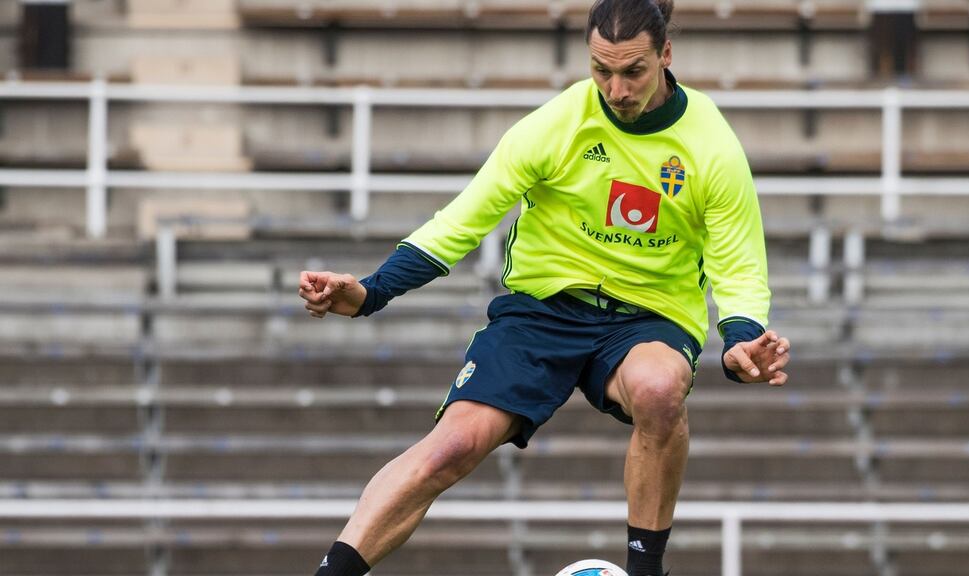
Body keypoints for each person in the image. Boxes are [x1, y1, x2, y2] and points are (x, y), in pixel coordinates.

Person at [299, 1, 790, 575]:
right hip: (541, 311)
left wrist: (740, 338)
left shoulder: (711, 144)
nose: (616, 88)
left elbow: (739, 263)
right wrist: (370, 292)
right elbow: (464, 220)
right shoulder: (557, 124)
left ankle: (644, 571)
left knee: (658, 389)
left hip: (650, 316)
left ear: (666, 56)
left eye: (633, 71)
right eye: (601, 70)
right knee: (452, 447)